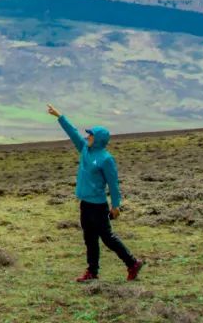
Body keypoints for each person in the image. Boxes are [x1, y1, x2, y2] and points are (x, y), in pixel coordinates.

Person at [47, 103, 144, 282]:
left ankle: (132, 263)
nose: (88, 136)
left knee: (107, 238)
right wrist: (59, 116)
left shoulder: (106, 159)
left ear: (98, 138)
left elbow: (113, 184)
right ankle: (92, 272)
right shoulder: (85, 149)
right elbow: (73, 132)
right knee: (89, 238)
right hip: (85, 203)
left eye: (91, 134)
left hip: (98, 206)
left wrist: (116, 206)